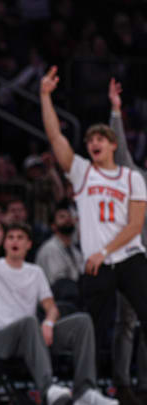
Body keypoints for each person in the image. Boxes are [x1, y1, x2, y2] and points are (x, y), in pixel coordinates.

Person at [0, 195, 117, 405]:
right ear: (4, 243)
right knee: (30, 322)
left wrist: (49, 322)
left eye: (20, 237)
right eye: (10, 237)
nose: (15, 241)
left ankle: (85, 390)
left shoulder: (35, 272)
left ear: (29, 244)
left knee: (82, 322)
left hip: (30, 338)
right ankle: (49, 388)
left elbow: (51, 306)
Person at [41, 67, 147, 362]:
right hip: (96, 264)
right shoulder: (82, 171)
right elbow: (55, 136)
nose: (94, 143)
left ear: (113, 144)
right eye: (90, 141)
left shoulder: (130, 177)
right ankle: (91, 386)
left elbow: (136, 224)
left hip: (127, 257)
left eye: (100, 138)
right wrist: (45, 96)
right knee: (93, 327)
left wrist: (105, 251)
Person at [107, 78, 147, 405]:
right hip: (133, 258)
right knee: (127, 323)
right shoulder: (136, 180)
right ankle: (122, 383)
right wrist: (116, 113)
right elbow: (119, 151)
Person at [35, 200, 83, 303]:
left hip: (74, 296)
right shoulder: (50, 248)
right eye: (62, 217)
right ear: (53, 226)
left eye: (69, 216)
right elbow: (57, 281)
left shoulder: (75, 250)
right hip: (55, 299)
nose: (68, 219)